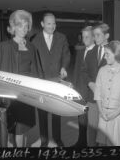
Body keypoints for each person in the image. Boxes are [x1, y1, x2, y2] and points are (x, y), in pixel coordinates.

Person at [0, 10, 43, 147]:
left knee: (22, 129)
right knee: (14, 129)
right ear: (13, 27)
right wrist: (1, 101)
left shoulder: (32, 47)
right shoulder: (5, 47)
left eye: (26, 26)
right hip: (11, 94)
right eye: (20, 25)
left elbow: (36, 72)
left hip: (26, 93)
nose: (24, 29)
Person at [31, 12, 70, 147]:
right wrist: (37, 79)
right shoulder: (35, 40)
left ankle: (57, 139)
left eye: (54, 23)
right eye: (49, 23)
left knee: (56, 111)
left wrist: (64, 67)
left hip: (57, 81)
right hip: (41, 81)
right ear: (42, 24)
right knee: (42, 112)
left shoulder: (62, 38)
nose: (52, 26)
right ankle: (43, 139)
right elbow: (34, 61)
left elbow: (66, 55)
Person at [94, 41, 120, 146]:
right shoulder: (102, 70)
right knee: (104, 143)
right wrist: (101, 111)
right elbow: (97, 92)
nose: (104, 57)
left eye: (107, 54)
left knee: (117, 143)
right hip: (103, 114)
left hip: (118, 115)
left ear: (116, 54)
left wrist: (114, 114)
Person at [73, 26, 97, 147]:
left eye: (87, 36)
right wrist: (74, 87)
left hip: (92, 94)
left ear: (93, 37)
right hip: (80, 91)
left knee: (93, 123)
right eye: (83, 37)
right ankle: (81, 141)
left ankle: (93, 144)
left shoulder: (99, 52)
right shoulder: (80, 51)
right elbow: (77, 71)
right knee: (81, 120)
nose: (84, 39)